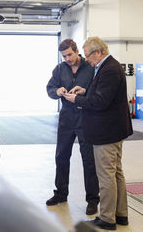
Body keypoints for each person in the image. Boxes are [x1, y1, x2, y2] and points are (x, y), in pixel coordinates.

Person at [63, 36, 133, 231]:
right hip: (113, 129)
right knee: (117, 173)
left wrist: (76, 99)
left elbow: (100, 102)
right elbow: (101, 94)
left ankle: (107, 218)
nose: (86, 60)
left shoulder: (109, 69)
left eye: (88, 56)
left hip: (106, 132)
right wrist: (85, 91)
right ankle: (121, 214)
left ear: (98, 52)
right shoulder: (107, 66)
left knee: (106, 175)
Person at [46, 38, 99, 215]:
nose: (67, 58)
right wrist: (57, 92)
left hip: (86, 118)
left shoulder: (90, 67)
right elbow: (50, 88)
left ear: (77, 51)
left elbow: (97, 90)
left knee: (89, 160)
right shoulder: (59, 69)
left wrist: (84, 93)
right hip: (66, 119)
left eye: (69, 54)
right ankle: (60, 193)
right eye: (64, 56)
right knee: (61, 156)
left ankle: (92, 200)